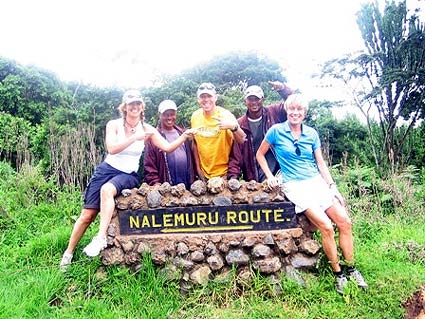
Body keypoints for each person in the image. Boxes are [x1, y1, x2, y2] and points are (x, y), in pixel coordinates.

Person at [60, 90, 194, 269]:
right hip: (106, 169)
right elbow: (111, 149)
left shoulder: (147, 129)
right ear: (124, 107)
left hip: (128, 174)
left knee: (107, 190)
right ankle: (68, 254)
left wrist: (184, 137)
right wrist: (134, 138)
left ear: (142, 107)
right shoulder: (113, 125)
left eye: (138, 104)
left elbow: (168, 147)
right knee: (87, 215)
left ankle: (100, 238)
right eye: (131, 104)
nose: (135, 107)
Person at [256, 93, 367, 294]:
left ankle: (352, 268)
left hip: (316, 182)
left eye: (299, 109)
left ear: (304, 113)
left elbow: (320, 162)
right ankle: (338, 274)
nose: (295, 113)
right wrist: (270, 176)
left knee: (345, 222)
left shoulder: (311, 134)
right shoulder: (276, 131)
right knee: (326, 226)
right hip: (294, 185)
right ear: (286, 111)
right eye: (292, 109)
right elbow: (259, 154)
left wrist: (333, 187)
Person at [236, 81, 293, 182]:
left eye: (257, 99)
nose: (254, 102)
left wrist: (283, 89)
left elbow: (293, 103)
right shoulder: (239, 124)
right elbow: (236, 155)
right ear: (245, 100)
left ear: (263, 99)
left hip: (280, 173)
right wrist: (233, 178)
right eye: (250, 99)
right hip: (254, 178)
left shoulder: (274, 112)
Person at [191, 82, 245, 181]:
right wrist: (198, 170)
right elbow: (195, 143)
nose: (206, 100)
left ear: (215, 97)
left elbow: (242, 139)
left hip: (224, 175)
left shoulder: (225, 115)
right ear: (198, 99)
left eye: (209, 96)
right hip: (204, 176)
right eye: (203, 97)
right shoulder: (195, 116)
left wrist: (233, 127)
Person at [143, 99, 195, 189]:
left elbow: (191, 159)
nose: (169, 118)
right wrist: (155, 183)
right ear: (159, 115)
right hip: (166, 188)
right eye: (166, 115)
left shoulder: (182, 133)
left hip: (187, 186)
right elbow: (149, 165)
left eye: (172, 114)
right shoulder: (154, 137)